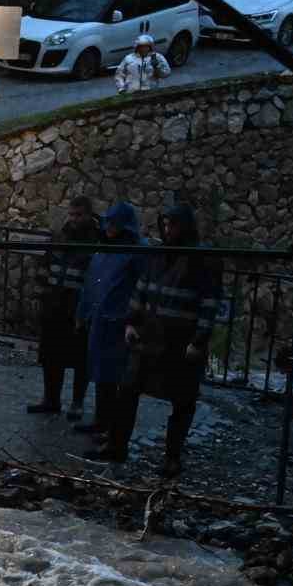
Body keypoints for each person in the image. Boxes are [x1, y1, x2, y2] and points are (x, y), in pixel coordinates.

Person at [118, 205, 221, 478]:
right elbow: (141, 289)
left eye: (172, 225)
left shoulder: (202, 260)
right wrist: (131, 321)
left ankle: (172, 458)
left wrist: (199, 341)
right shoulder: (157, 256)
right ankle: (118, 446)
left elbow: (209, 305)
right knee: (128, 390)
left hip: (180, 343)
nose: (167, 230)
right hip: (150, 338)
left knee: (182, 401)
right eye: (164, 224)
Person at [75, 201, 146, 463]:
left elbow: (142, 286)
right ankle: (101, 420)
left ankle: (112, 429)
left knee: (117, 378)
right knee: (100, 373)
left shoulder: (136, 252)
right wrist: (82, 313)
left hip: (120, 323)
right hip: (100, 320)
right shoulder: (104, 249)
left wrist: (135, 319)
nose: (109, 228)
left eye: (114, 223)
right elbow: (92, 283)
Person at [29, 195, 99, 417]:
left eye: (79, 215)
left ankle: (77, 403)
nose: (74, 219)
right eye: (72, 214)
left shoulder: (97, 241)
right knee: (50, 355)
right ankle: (51, 399)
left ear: (88, 215)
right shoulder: (59, 236)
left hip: (78, 308)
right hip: (54, 304)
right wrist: (40, 297)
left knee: (80, 358)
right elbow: (45, 266)